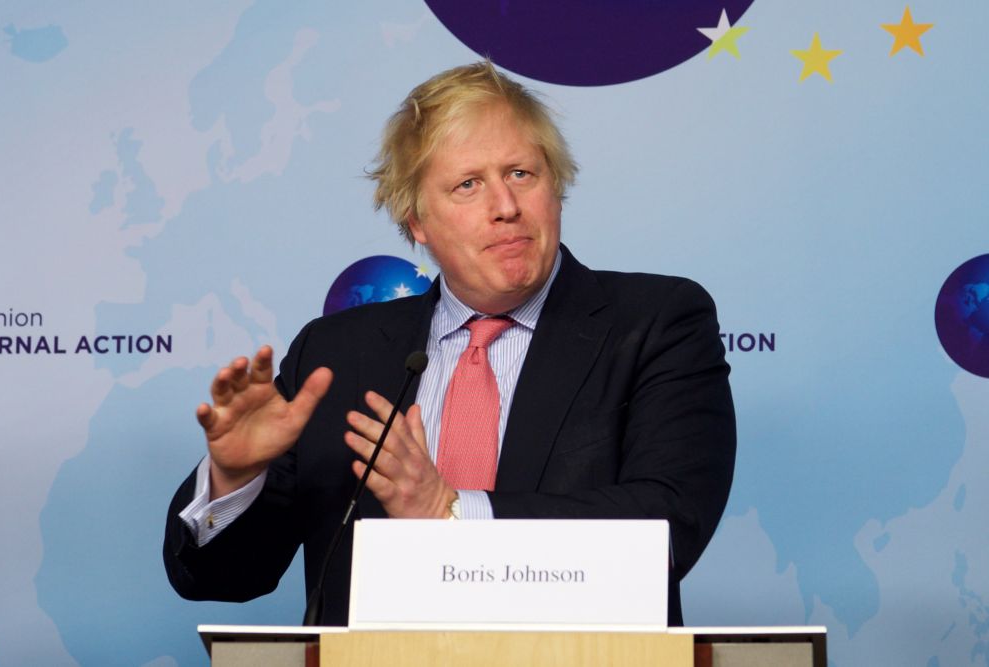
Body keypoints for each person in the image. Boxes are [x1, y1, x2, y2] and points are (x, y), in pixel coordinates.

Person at [163, 61, 736, 626]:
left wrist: (451, 512)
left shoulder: (656, 322)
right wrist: (236, 480)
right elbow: (224, 578)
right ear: (416, 220)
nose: (506, 207)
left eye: (521, 174)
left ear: (556, 187)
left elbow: (668, 525)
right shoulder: (334, 354)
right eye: (468, 185)